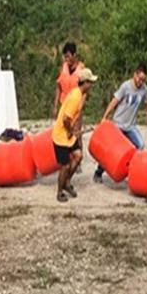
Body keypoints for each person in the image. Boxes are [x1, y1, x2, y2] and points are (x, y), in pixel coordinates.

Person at [93, 62, 147, 183]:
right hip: (118, 125)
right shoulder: (126, 86)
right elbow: (114, 101)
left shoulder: (144, 89)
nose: (140, 82)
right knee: (110, 151)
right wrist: (105, 116)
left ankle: (132, 170)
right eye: (139, 79)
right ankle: (98, 172)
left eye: (143, 80)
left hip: (131, 126)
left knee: (140, 146)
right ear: (135, 74)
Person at [52, 68, 97, 202]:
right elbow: (66, 119)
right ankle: (59, 192)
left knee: (78, 156)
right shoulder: (76, 97)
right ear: (85, 83)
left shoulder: (78, 94)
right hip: (61, 136)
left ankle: (67, 182)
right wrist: (72, 132)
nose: (91, 85)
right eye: (90, 82)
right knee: (65, 166)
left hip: (68, 136)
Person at [51, 42, 85, 120]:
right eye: (65, 57)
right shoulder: (63, 68)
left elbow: (84, 91)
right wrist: (55, 107)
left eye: (68, 56)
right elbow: (58, 88)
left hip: (75, 106)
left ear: (74, 55)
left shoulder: (81, 69)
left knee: (75, 130)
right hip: (64, 105)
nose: (66, 59)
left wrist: (80, 107)